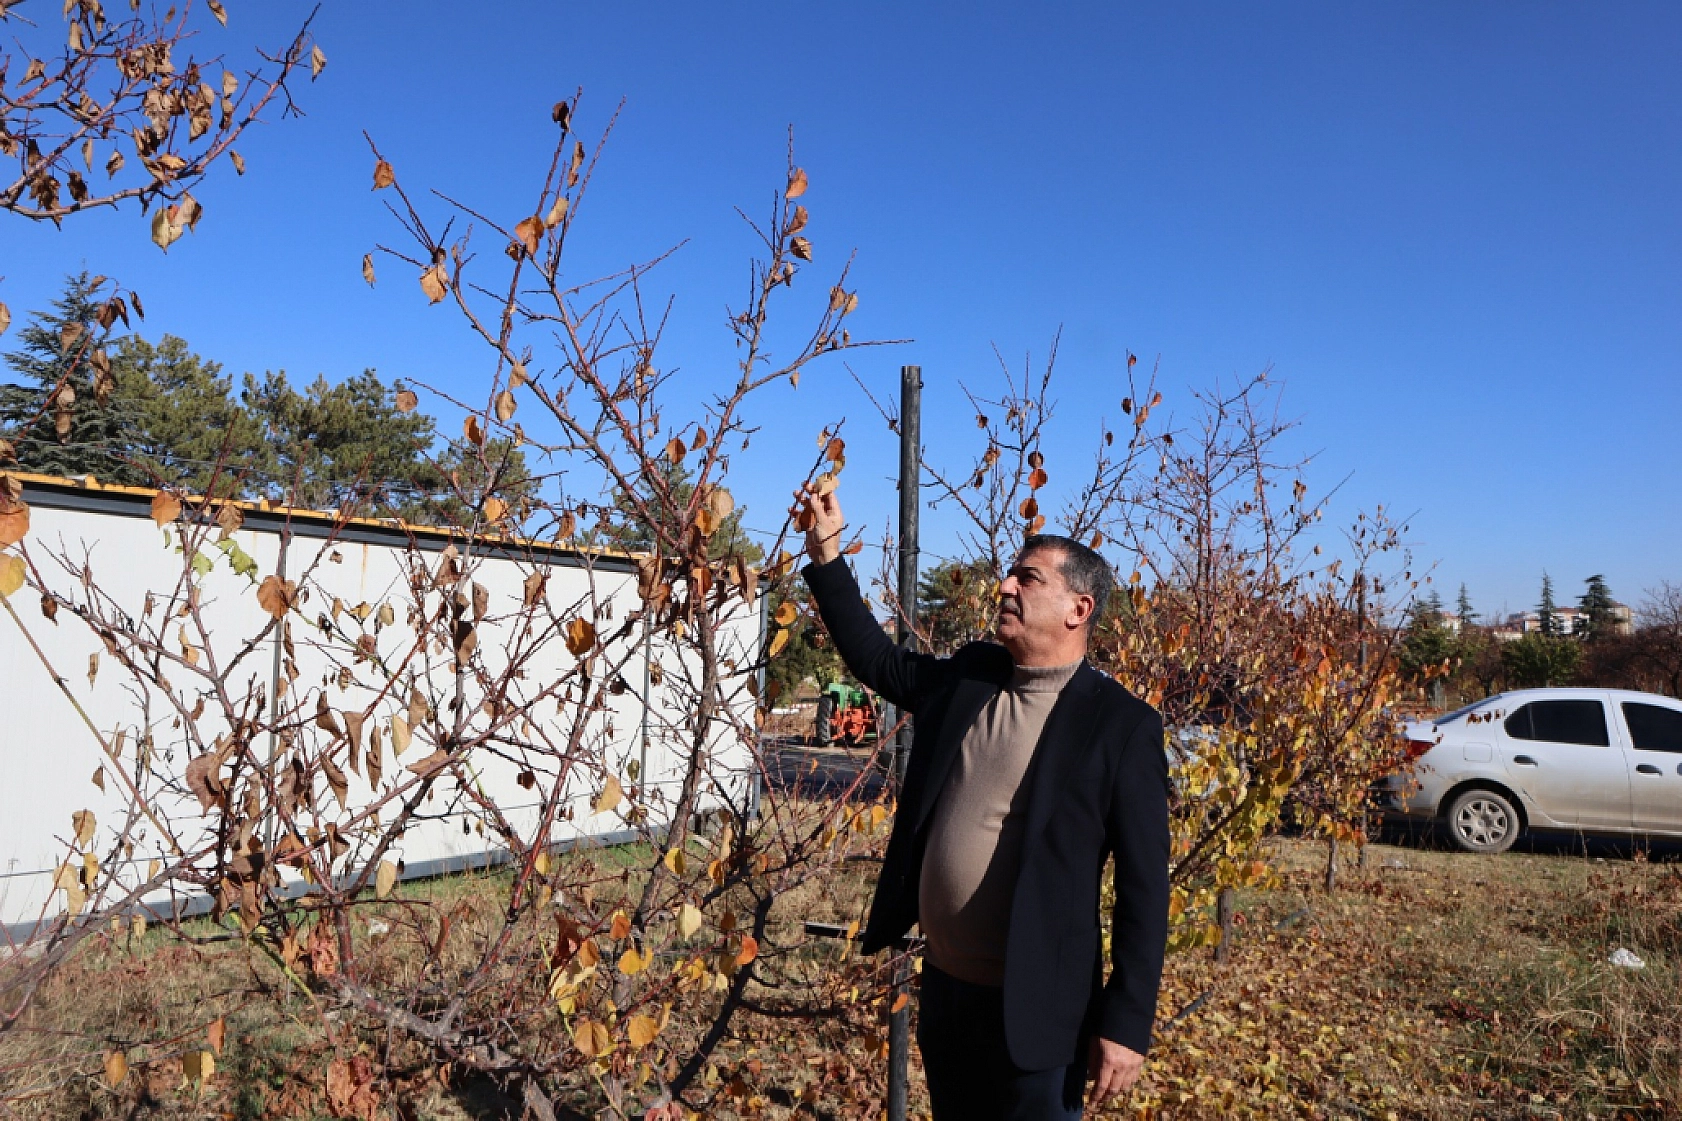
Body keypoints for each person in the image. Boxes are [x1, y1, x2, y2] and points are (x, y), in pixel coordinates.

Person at [793, 484, 1170, 1120]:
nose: (1004, 586)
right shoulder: (973, 676)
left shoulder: (1121, 728)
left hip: (1041, 1013)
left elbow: (1144, 889)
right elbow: (881, 663)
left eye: (1027, 578)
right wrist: (827, 555)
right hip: (948, 994)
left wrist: (1128, 1022)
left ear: (1079, 608)